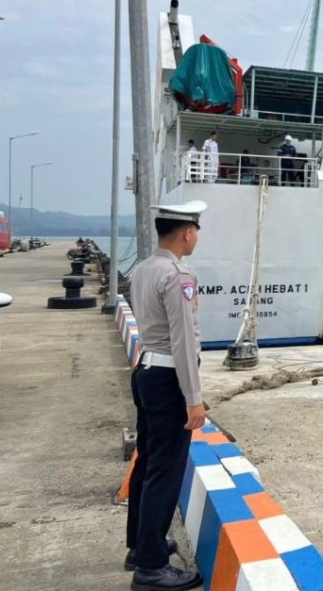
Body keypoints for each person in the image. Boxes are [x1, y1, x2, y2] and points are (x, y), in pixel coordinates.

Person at [126, 201, 207, 591]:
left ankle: (140, 546)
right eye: (196, 230)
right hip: (168, 379)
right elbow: (183, 341)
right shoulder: (178, 274)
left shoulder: (143, 268)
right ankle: (152, 568)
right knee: (165, 470)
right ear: (187, 232)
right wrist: (194, 397)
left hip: (145, 371)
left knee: (147, 463)